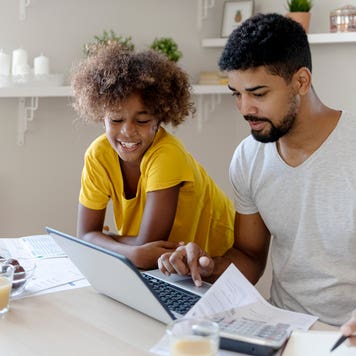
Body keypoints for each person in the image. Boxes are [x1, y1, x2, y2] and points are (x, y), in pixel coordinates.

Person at [158, 13, 356, 326]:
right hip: (285, 327)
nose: (244, 109)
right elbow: (248, 258)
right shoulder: (248, 158)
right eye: (236, 94)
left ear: (301, 81)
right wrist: (209, 267)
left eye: (258, 94)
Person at [71, 43, 235, 271]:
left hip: (217, 257)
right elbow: (87, 236)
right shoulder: (98, 155)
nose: (128, 131)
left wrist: (104, 240)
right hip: (172, 263)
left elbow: (148, 250)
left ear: (159, 118)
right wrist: (130, 250)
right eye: (116, 120)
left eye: (142, 121)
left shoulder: (167, 155)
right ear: (102, 117)